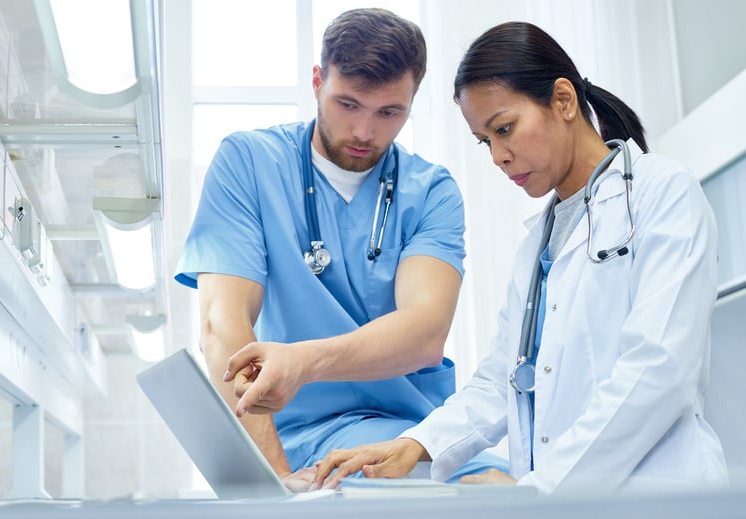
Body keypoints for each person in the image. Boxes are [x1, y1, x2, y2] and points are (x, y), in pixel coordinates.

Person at [312, 21, 729, 495]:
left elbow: (659, 370)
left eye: (504, 129)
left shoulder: (663, 193)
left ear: (564, 101)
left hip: (661, 492)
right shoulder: (538, 243)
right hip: (570, 499)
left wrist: (538, 489)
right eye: (485, 141)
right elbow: (502, 378)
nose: (497, 157)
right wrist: (415, 444)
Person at [174, 8, 507, 491]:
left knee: (499, 488)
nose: (364, 133)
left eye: (389, 113)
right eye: (347, 104)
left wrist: (305, 362)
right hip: (285, 436)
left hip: (399, 439)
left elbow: (425, 332)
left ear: (412, 103)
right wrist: (276, 478)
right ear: (316, 82)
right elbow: (223, 326)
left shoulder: (431, 191)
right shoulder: (248, 164)